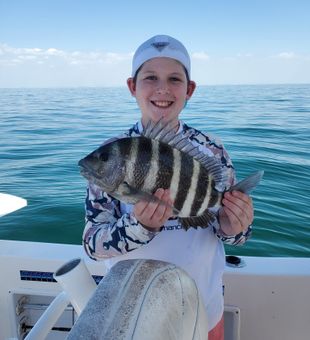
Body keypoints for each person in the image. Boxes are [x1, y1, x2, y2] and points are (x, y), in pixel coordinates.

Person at [82, 34, 254, 340]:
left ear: (189, 90)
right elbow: (93, 246)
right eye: (150, 77)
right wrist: (139, 226)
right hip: (132, 314)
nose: (162, 88)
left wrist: (233, 226)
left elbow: (236, 236)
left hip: (205, 306)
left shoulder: (212, 149)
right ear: (132, 87)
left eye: (174, 79)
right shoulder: (111, 154)